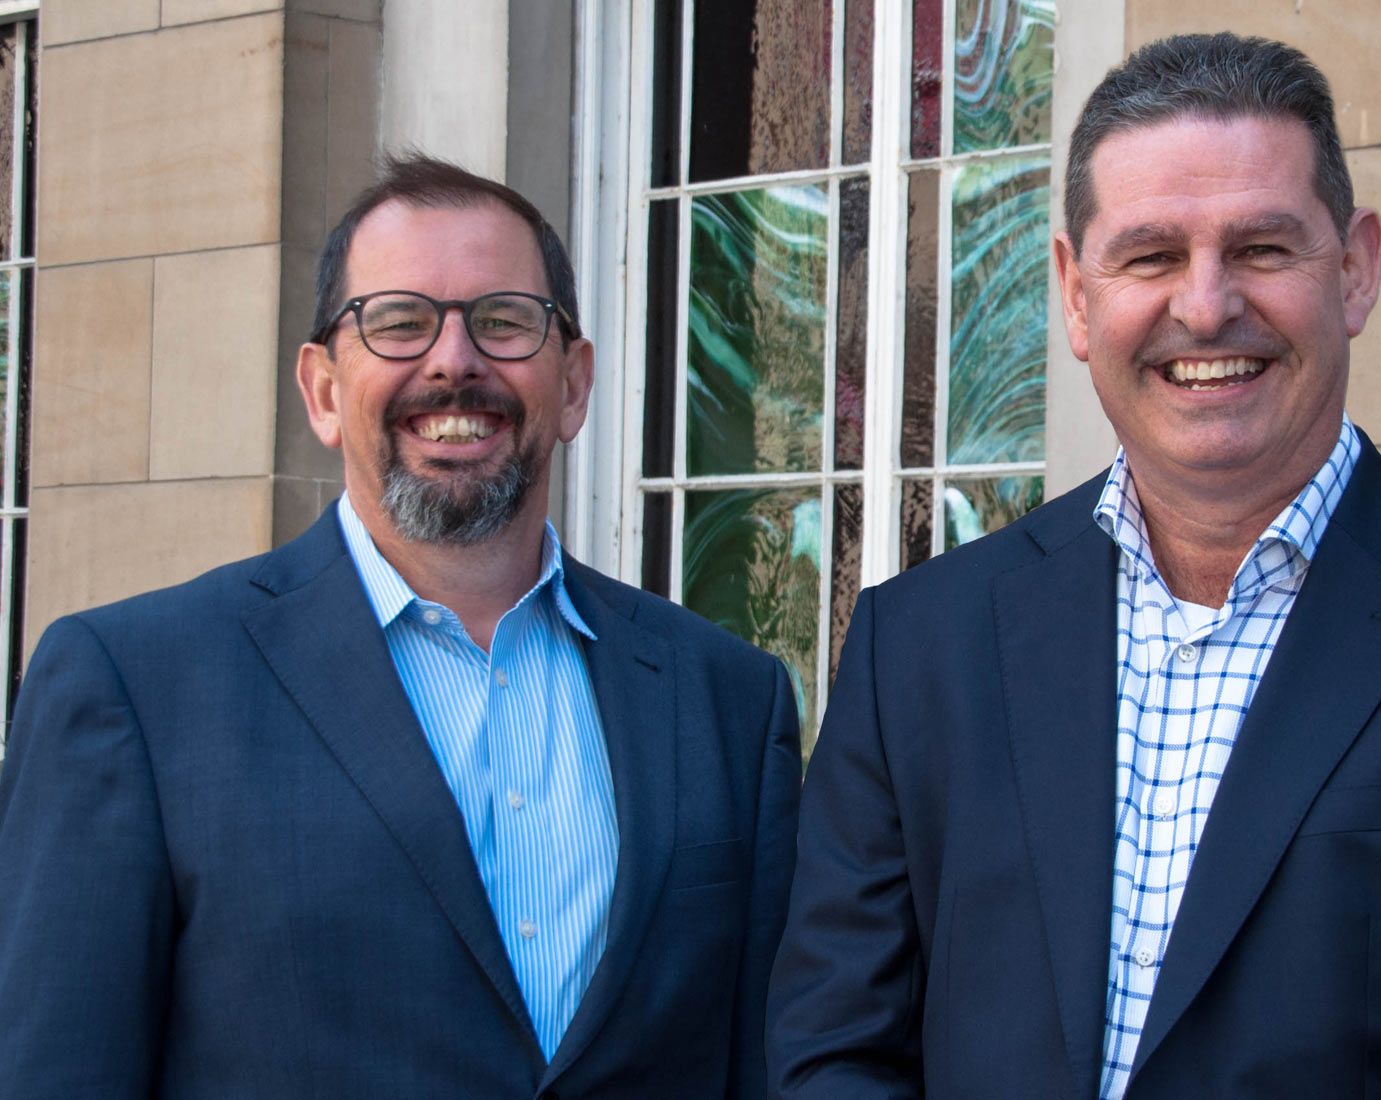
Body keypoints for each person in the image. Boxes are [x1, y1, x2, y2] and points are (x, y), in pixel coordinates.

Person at [767, 32, 1381, 1099]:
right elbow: (834, 1053)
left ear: (1356, 270)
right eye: (1151, 255)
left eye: (1261, 248)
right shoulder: (918, 644)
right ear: (1075, 294)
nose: (1204, 306)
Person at [0, 154, 800, 1098]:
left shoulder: (727, 699)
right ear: (323, 390)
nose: (454, 361)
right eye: (398, 322)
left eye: (504, 320)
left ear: (575, 384)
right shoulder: (135, 686)